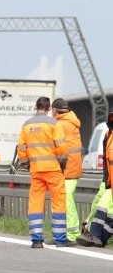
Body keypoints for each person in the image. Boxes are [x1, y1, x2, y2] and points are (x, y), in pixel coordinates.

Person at [16, 97, 72, 248]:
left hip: (36, 171)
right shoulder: (54, 124)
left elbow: (21, 149)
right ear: (49, 109)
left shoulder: (26, 125)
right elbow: (61, 148)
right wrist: (62, 164)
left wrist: (27, 164)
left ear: (36, 107)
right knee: (59, 202)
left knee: (35, 203)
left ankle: (36, 240)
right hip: (53, 170)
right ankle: (60, 239)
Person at [78, 112, 113, 247]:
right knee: (102, 206)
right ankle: (96, 237)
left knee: (108, 211)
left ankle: (97, 238)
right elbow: (106, 162)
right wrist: (107, 180)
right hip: (110, 183)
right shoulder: (108, 135)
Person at [51, 98, 82, 242]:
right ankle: (65, 234)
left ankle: (71, 235)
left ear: (55, 110)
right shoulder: (71, 122)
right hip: (73, 168)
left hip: (66, 169)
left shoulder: (60, 124)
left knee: (65, 201)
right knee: (65, 201)